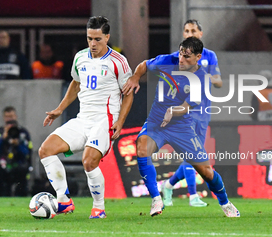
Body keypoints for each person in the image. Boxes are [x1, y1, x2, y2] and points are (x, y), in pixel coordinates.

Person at [123, 37, 239, 217]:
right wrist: (135, 77)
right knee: (141, 147)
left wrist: (173, 111)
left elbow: (186, 106)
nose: (181, 60)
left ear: (198, 57)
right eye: (180, 54)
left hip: (181, 128)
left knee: (207, 172)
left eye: (187, 56)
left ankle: (225, 202)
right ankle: (156, 199)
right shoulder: (167, 60)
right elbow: (144, 65)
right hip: (156, 124)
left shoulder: (201, 79)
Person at [39, 16, 133, 219]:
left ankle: (99, 208)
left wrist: (120, 122)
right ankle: (64, 201)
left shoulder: (118, 61)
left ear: (107, 37)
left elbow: (129, 93)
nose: (93, 43)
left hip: (105, 120)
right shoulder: (80, 57)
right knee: (46, 150)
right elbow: (75, 84)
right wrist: (59, 109)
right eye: (89, 38)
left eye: (97, 39)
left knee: (89, 161)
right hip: (83, 119)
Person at [159, 19, 223, 207]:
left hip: (203, 111)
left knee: (192, 156)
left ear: (200, 34)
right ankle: (193, 195)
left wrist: (204, 74)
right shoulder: (176, 58)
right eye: (186, 30)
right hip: (183, 111)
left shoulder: (209, 56)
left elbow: (219, 82)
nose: (189, 33)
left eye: (193, 30)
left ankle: (169, 185)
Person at [0, 106, 32, 196]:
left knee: (22, 169)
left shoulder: (23, 132)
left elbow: (27, 153)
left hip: (18, 162)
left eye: (11, 116)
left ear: (15, 116)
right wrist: (2, 138)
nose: (9, 119)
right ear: (4, 118)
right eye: (7, 117)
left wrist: (18, 144)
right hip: (2, 163)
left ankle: (21, 196)